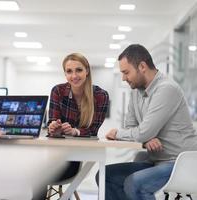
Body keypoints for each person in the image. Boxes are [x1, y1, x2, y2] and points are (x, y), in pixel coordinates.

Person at [96, 44, 197, 200]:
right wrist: (146, 139)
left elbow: (141, 131)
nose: (123, 78)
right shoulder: (136, 93)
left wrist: (120, 133)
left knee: (135, 183)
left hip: (180, 164)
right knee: (104, 176)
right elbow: (132, 128)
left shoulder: (166, 89)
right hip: (156, 160)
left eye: (126, 72)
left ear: (142, 66)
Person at [42, 53, 109, 199]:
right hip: (54, 156)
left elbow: (93, 130)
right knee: (35, 174)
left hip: (74, 160)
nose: (74, 76)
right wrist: (54, 128)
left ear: (87, 71)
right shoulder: (58, 91)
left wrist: (75, 131)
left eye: (78, 70)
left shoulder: (100, 95)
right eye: (69, 71)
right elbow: (52, 122)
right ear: (65, 73)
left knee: (38, 177)